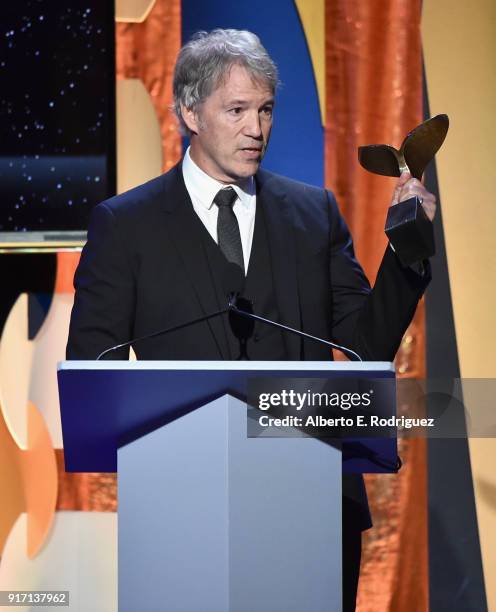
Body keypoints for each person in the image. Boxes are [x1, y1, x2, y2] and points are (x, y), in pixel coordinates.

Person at [67, 29, 436, 611]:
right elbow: (94, 372)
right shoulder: (125, 225)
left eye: (264, 110)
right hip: (183, 516)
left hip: (312, 505)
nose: (257, 129)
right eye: (236, 110)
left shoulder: (312, 214)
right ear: (189, 110)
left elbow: (366, 344)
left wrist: (407, 248)